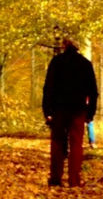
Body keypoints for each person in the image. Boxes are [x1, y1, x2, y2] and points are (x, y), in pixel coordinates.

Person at [42, 36, 98, 187]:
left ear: (65, 46)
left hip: (58, 109)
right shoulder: (85, 64)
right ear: (78, 47)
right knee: (76, 145)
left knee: (57, 144)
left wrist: (46, 110)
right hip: (78, 110)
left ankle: (55, 179)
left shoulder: (56, 62)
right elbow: (93, 91)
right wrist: (90, 112)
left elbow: (48, 88)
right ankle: (74, 180)